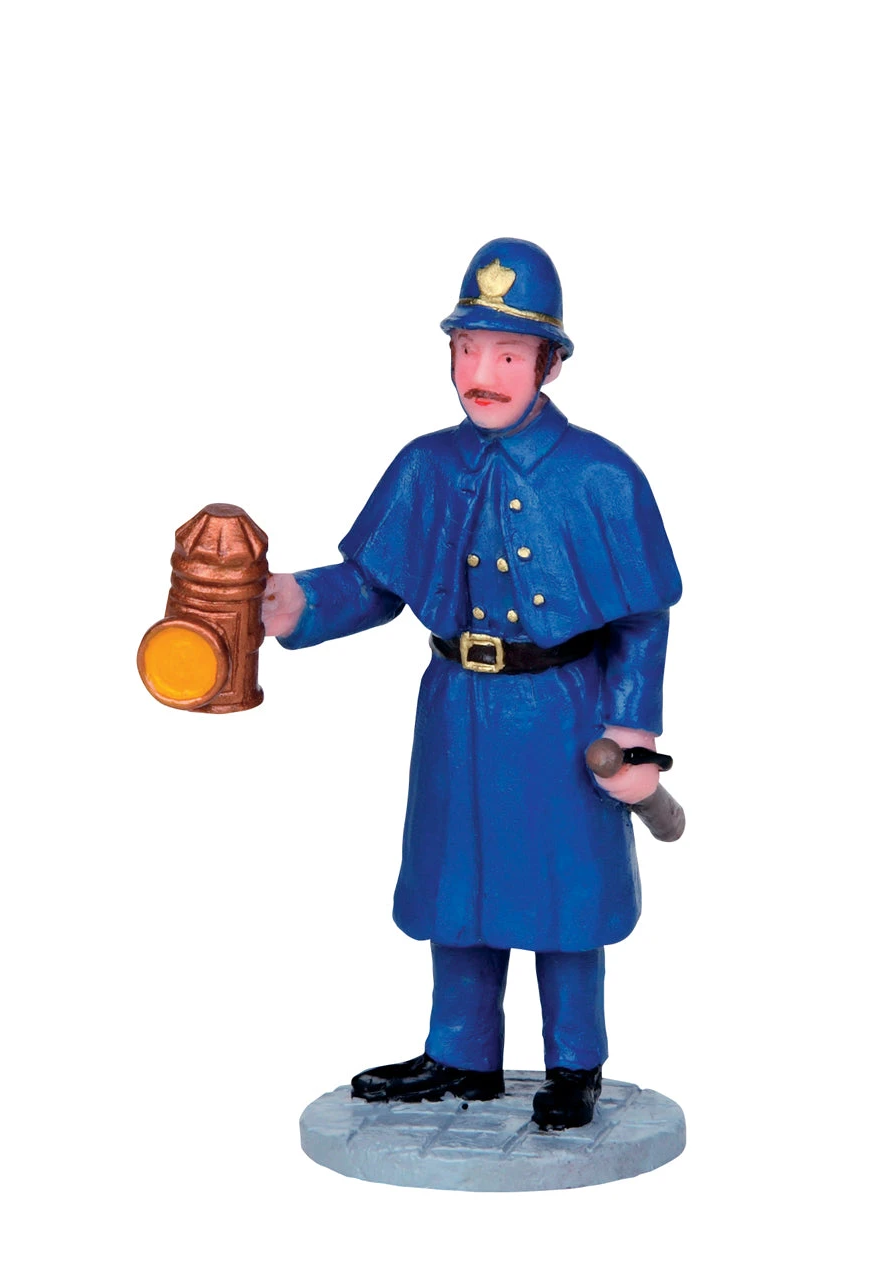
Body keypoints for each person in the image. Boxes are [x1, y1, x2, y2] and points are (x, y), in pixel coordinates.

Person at [262, 238, 681, 1129]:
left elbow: (641, 617)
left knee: (565, 893)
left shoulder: (601, 478)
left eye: (506, 354)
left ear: (550, 364)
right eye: (465, 349)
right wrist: (295, 602)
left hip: (564, 716)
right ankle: (460, 1053)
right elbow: (374, 583)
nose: (480, 374)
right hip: (456, 709)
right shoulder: (426, 467)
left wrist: (633, 730)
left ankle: (575, 1061)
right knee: (459, 884)